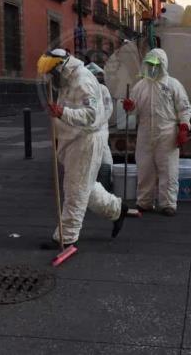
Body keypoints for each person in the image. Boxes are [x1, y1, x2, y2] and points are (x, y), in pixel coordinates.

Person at [37, 49, 127, 248]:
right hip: (72, 140)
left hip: (85, 141)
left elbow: (90, 115)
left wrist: (63, 112)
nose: (50, 78)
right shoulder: (66, 81)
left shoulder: (82, 81)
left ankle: (66, 237)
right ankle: (117, 209)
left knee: (75, 189)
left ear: (61, 68)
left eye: (52, 73)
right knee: (84, 185)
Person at [123, 48, 191, 217]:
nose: (153, 68)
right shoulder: (140, 86)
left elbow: (184, 108)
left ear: (163, 65)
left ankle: (168, 203)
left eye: (156, 65)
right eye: (150, 64)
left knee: (168, 170)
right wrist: (129, 108)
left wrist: (184, 127)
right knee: (145, 168)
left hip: (167, 132)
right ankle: (144, 202)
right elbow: (133, 110)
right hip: (145, 131)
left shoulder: (173, 85)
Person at [86, 62, 114, 191]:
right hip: (86, 131)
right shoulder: (84, 90)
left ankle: (106, 184)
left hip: (101, 130)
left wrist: (99, 121)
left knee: (104, 157)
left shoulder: (103, 90)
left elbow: (108, 108)